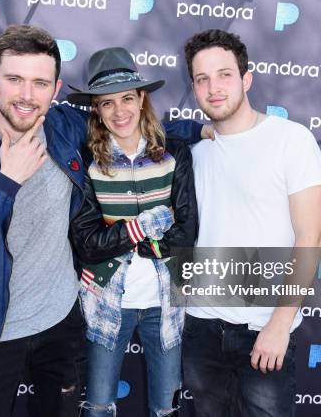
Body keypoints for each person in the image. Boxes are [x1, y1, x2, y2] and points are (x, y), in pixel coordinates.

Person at [0, 25, 203, 417]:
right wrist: (6, 181)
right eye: (14, 80)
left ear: (55, 89)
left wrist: (203, 129)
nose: (26, 95)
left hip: (62, 321)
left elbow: (132, 128)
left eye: (40, 83)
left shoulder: (65, 127)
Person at [181, 29, 321, 416]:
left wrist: (280, 323)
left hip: (264, 329)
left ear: (246, 79)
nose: (214, 87)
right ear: (194, 87)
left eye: (224, 75)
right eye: (202, 79)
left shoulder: (290, 140)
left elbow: (311, 236)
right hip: (200, 327)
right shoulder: (196, 154)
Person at [68, 47, 198, 417]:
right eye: (107, 103)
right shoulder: (88, 162)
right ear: (96, 109)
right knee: (97, 405)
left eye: (127, 98)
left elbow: (187, 233)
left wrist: (132, 239)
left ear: (142, 99)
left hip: (165, 302)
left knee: (165, 407)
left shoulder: (174, 153)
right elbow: (88, 243)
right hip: (107, 298)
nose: (119, 111)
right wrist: (151, 222)